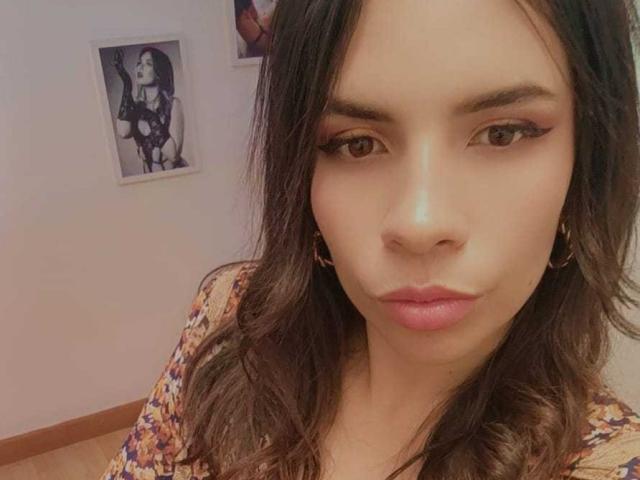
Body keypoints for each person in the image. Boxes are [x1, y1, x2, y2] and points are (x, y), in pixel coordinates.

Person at [101, 1, 640, 479]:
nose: (419, 223)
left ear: (587, 161)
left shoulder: (609, 462)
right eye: (356, 144)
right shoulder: (230, 316)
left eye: (503, 134)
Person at [113, 46, 187, 173]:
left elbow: (173, 155)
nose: (140, 68)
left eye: (148, 64)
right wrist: (127, 83)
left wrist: (149, 115)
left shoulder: (174, 104)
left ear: (159, 71)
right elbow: (123, 132)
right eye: (139, 63)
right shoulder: (135, 108)